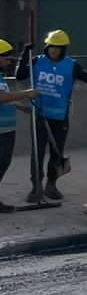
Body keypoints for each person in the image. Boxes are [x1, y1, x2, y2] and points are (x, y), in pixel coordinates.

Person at [28, 30, 87, 203]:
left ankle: (51, 185)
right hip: (39, 114)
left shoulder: (71, 65)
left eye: (57, 48)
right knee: (37, 152)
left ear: (63, 49)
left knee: (56, 153)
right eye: (51, 46)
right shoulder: (36, 61)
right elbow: (21, 74)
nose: (53, 50)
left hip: (60, 116)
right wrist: (23, 55)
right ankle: (36, 186)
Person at [0, 40, 41, 213]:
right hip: (1, 131)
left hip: (7, 129)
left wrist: (19, 105)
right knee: (1, 164)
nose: (9, 62)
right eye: (6, 58)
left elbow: (4, 97)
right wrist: (25, 93)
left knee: (3, 164)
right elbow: (0, 97)